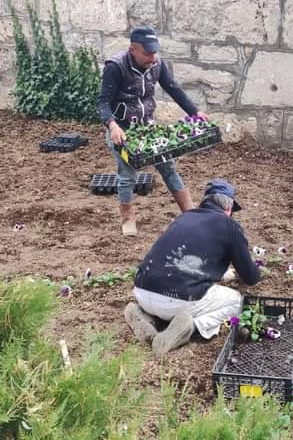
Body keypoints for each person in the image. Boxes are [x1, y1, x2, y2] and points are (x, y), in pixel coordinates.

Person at [124, 179, 261, 356]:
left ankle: (146, 316)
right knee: (236, 301)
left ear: (205, 202)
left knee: (170, 294)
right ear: (229, 208)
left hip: (142, 290)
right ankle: (191, 326)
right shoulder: (229, 226)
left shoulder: (184, 217)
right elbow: (250, 277)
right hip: (179, 300)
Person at [97, 25, 208, 237]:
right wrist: (112, 126)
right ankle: (128, 219)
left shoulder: (156, 64)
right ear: (133, 50)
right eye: (147, 53)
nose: (152, 57)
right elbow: (103, 102)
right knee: (127, 174)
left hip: (147, 126)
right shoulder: (116, 67)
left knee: (168, 166)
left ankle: (189, 212)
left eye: (154, 51)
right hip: (123, 129)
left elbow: (173, 88)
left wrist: (195, 112)